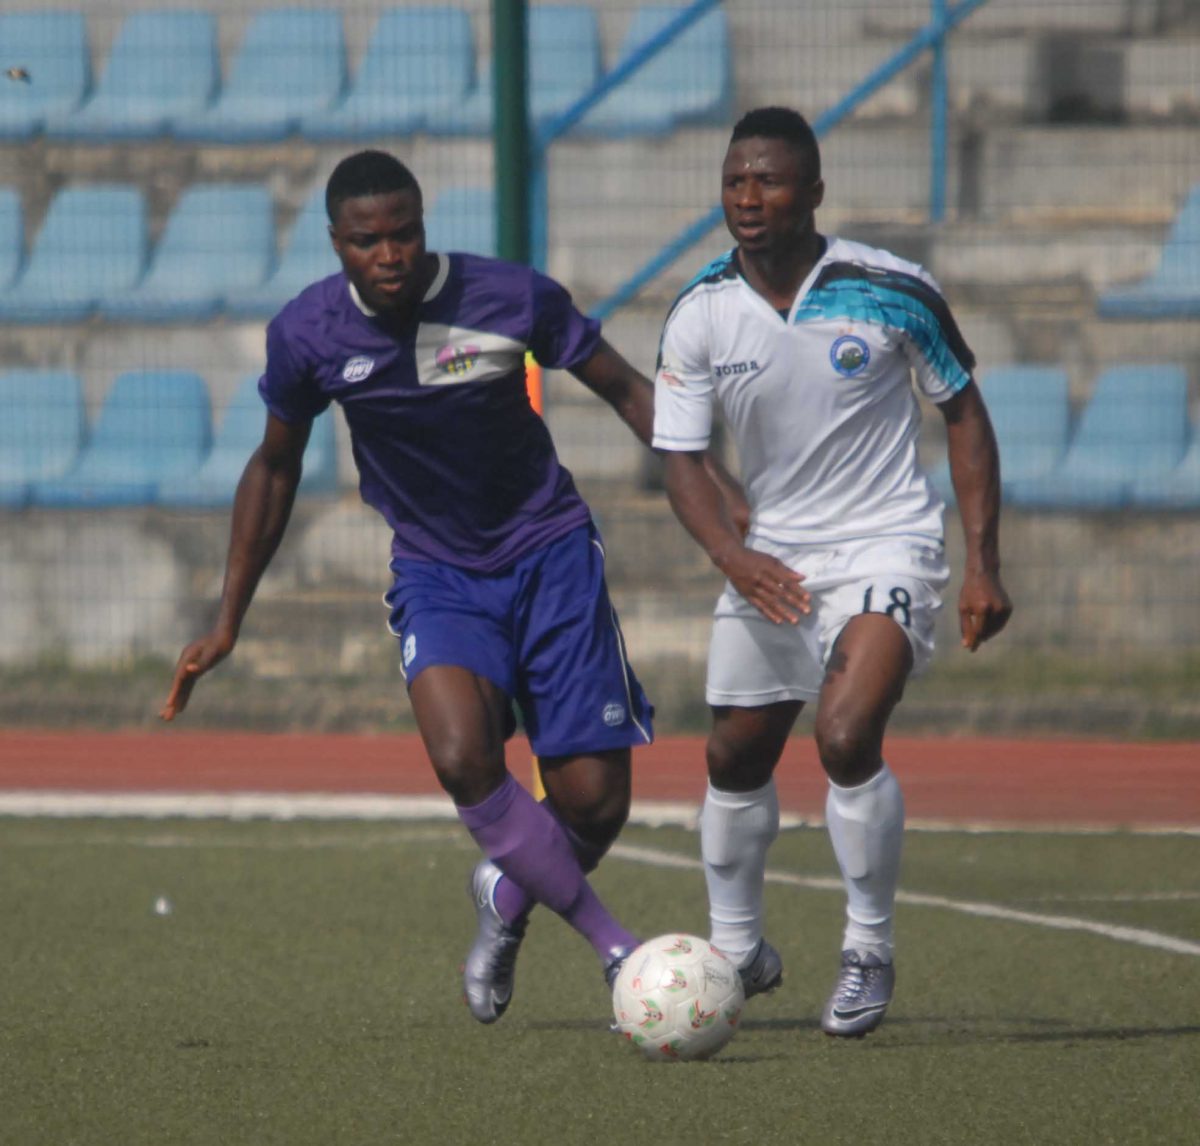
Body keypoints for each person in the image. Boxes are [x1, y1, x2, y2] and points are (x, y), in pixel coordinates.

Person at [159, 150, 737, 1025]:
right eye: (367, 241)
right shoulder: (309, 334)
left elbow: (625, 389)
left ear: (424, 227)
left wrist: (714, 482)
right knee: (464, 756)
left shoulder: (510, 297)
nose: (389, 254)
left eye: (404, 234)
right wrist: (226, 619)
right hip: (437, 573)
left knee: (593, 806)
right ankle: (617, 949)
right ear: (337, 244)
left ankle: (506, 894)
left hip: (551, 555)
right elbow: (273, 468)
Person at [652, 107, 1012, 1037]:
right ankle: (738, 952)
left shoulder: (891, 290)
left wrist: (983, 564)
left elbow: (964, 414)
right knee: (733, 757)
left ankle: (868, 949)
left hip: (887, 543)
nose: (748, 198)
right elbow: (680, 460)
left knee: (846, 736)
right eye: (734, 181)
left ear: (814, 191)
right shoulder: (699, 311)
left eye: (768, 181)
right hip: (773, 559)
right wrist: (733, 556)